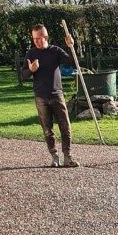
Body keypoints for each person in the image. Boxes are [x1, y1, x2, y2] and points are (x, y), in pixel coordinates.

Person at [22, 24, 79, 168]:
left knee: (65, 127)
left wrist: (71, 47)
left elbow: (73, 64)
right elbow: (22, 76)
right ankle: (54, 157)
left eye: (39, 38)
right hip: (40, 97)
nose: (36, 41)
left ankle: (67, 156)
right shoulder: (31, 54)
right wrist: (30, 70)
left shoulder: (55, 51)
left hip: (57, 95)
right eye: (34, 39)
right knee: (47, 129)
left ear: (45, 37)